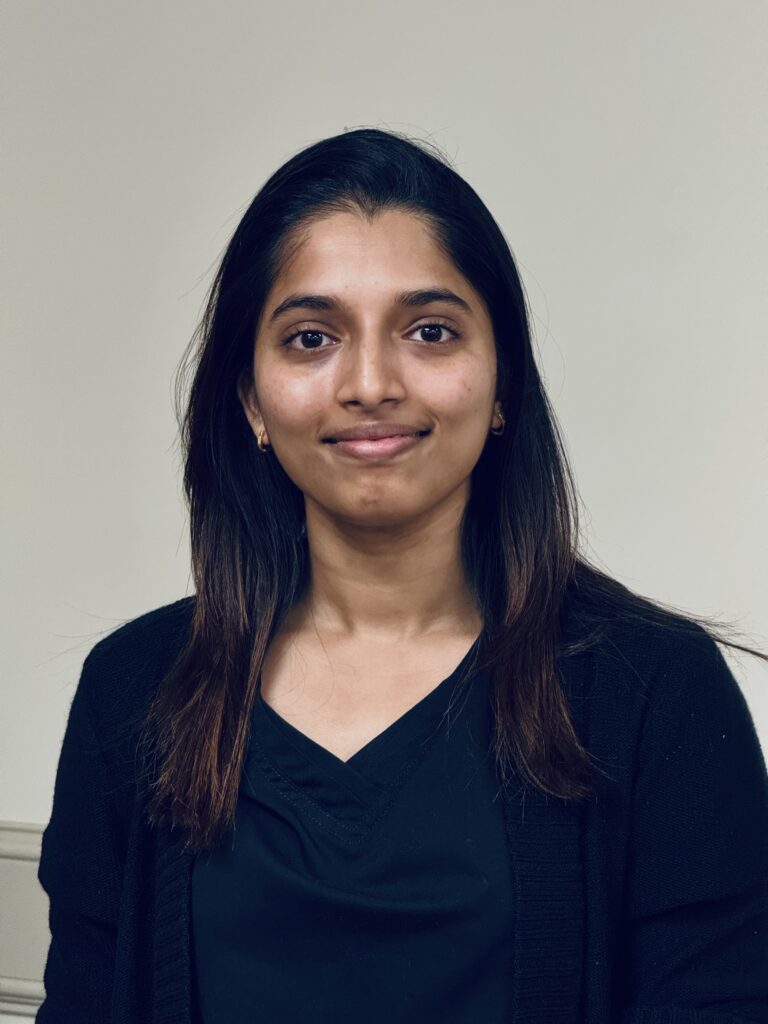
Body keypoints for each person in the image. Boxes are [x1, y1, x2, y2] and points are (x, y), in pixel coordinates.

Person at [36, 127, 768, 1024]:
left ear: (502, 384)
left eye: (429, 331)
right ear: (250, 399)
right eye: (311, 337)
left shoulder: (657, 693)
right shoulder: (132, 691)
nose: (371, 382)